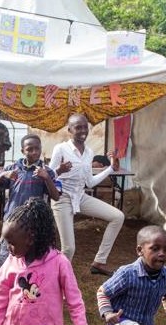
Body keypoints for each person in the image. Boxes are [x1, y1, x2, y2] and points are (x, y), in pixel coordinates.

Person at [0, 134, 59, 311]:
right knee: (0, 260)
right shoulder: (13, 168)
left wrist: (46, 178)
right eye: (29, 149)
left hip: (34, 225)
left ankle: (29, 294)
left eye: (37, 148)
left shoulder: (46, 171)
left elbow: (56, 196)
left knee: (35, 260)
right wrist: (4, 175)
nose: (34, 152)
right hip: (13, 224)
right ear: (23, 150)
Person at [49, 113, 125, 275]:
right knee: (69, 249)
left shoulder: (89, 152)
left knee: (117, 217)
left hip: (80, 197)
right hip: (62, 198)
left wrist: (111, 169)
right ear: (69, 130)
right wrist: (59, 170)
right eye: (78, 127)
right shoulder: (61, 149)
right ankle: (57, 282)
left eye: (85, 127)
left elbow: (89, 182)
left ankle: (99, 262)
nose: (83, 130)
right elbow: (47, 177)